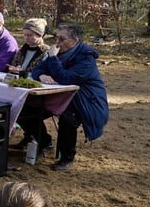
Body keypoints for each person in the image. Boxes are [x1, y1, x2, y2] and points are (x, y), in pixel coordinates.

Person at [30, 22, 109, 172]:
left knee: (68, 118)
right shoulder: (57, 53)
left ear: (74, 41)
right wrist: (42, 75)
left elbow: (67, 78)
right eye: (56, 38)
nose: (57, 42)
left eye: (61, 39)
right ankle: (44, 141)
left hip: (85, 100)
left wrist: (52, 60)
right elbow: (37, 69)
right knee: (27, 109)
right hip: (58, 96)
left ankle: (67, 157)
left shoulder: (86, 58)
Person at [8, 18, 54, 155]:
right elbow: (14, 64)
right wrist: (14, 69)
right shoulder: (22, 50)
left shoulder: (46, 52)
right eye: (25, 35)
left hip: (38, 92)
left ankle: (44, 141)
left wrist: (23, 71)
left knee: (26, 111)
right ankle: (30, 136)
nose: (27, 38)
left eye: (30, 35)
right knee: (12, 106)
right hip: (19, 87)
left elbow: (42, 72)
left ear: (40, 35)